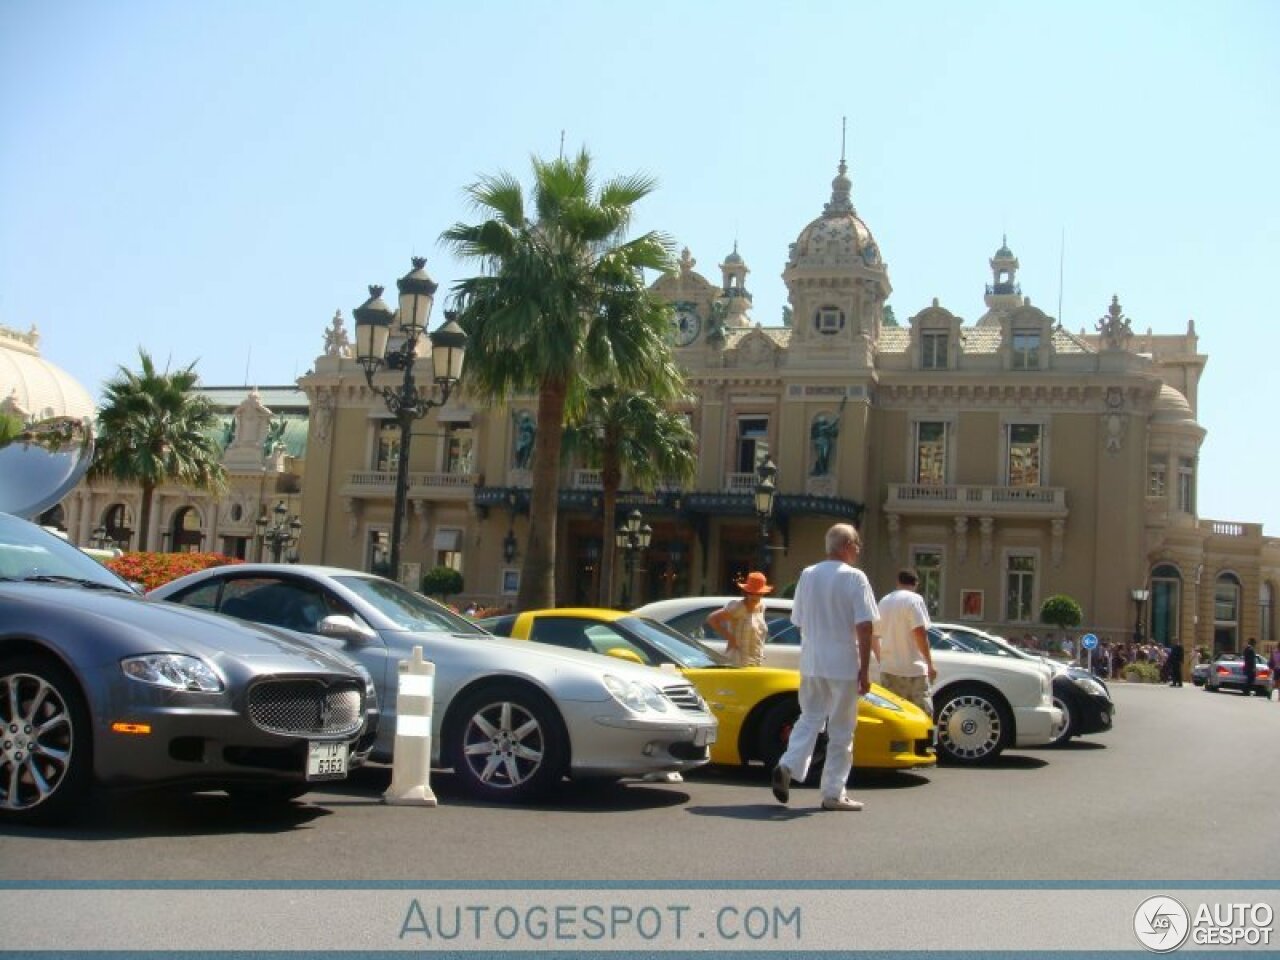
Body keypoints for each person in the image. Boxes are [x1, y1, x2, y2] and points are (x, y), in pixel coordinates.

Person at [771, 523, 878, 812]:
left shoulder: (808, 574)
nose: (857, 550)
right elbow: (865, 626)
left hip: (812, 661)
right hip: (842, 662)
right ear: (845, 545)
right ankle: (833, 791)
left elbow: (799, 620)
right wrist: (865, 670)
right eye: (856, 544)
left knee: (810, 717)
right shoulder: (855, 578)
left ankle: (788, 764)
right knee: (842, 729)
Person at [875, 568, 936, 716]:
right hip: (913, 669)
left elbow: (874, 635)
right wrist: (929, 664)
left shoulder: (884, 601)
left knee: (893, 716)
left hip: (889, 669)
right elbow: (919, 633)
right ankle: (921, 741)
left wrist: (881, 660)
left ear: (898, 582)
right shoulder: (915, 600)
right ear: (916, 584)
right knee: (921, 715)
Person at [706, 571, 772, 667]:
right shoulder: (738, 607)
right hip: (737, 661)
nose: (755, 596)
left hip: (755, 662)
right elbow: (712, 619)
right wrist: (731, 638)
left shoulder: (761, 607)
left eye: (758, 593)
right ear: (746, 592)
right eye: (751, 592)